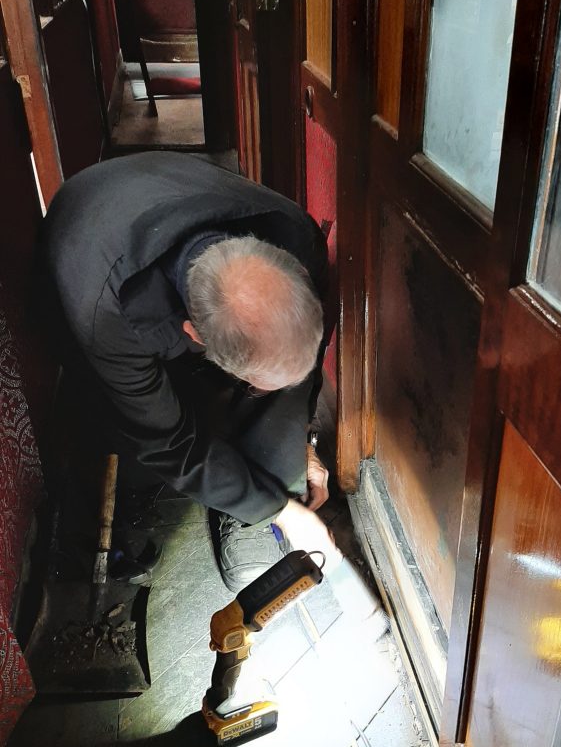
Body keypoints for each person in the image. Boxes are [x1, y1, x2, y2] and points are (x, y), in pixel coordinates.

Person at [43, 151, 340, 591]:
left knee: (274, 379)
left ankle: (266, 487)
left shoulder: (293, 236)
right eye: (256, 385)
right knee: (142, 438)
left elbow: (301, 371)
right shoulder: (108, 317)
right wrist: (283, 511)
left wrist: (302, 442)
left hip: (165, 188)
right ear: (194, 335)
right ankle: (257, 502)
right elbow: (172, 445)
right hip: (88, 226)